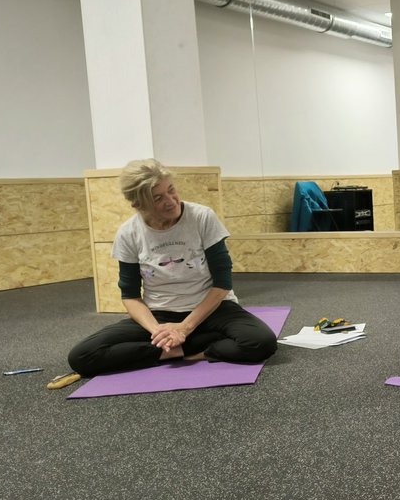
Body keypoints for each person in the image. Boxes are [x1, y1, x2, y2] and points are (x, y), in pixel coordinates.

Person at [68, 159, 278, 377]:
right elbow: (130, 297)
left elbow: (222, 285)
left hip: (213, 309)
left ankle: (181, 350)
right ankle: (179, 350)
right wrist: (159, 332)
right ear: (138, 205)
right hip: (159, 314)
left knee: (261, 343)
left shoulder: (202, 217)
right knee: (82, 356)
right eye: (158, 198)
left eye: (171, 190)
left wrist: (184, 328)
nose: (170, 201)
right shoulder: (128, 233)